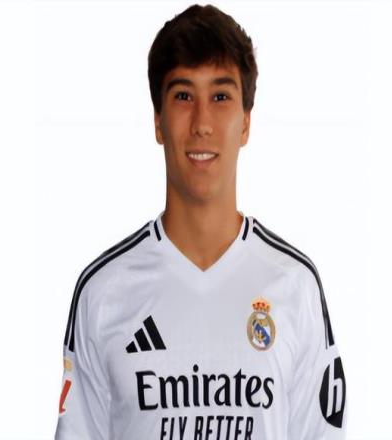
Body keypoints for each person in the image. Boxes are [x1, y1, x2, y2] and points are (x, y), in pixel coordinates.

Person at [54, 3, 347, 439]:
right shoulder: (104, 292)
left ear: (245, 123)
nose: (202, 123)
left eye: (221, 97)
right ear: (158, 122)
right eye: (183, 96)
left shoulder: (295, 285)